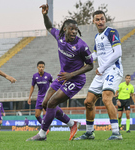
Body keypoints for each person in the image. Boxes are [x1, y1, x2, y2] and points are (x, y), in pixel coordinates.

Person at [26, 4, 93, 141]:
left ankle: (42, 134)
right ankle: (72, 124)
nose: (74, 31)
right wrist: (45, 15)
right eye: (71, 29)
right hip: (63, 76)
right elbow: (49, 27)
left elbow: (90, 65)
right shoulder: (59, 36)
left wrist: (72, 74)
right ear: (64, 29)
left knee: (52, 103)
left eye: (76, 29)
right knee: (45, 104)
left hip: (76, 79)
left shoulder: (81, 45)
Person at [75, 10, 123, 141]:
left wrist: (102, 67)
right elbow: (95, 55)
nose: (100, 21)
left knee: (107, 98)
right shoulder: (97, 37)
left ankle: (116, 133)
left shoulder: (111, 32)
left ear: (105, 20)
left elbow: (118, 52)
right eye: (97, 19)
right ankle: (89, 133)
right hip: (102, 73)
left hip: (113, 69)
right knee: (88, 102)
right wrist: (81, 60)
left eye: (102, 19)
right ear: (93, 21)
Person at [27, 61, 53, 125]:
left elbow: (54, 84)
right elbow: (32, 86)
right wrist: (29, 97)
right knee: (37, 115)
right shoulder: (35, 76)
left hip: (47, 97)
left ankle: (44, 129)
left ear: (44, 67)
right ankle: (44, 126)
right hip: (39, 97)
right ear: (37, 67)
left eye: (42, 67)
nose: (41, 68)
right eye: (40, 67)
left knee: (45, 114)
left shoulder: (48, 75)